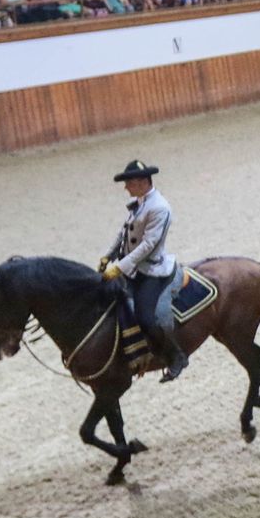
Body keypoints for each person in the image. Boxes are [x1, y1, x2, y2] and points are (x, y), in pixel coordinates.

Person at [100, 159, 190, 381]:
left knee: (147, 318)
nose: (126, 188)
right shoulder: (139, 202)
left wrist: (119, 268)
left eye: (129, 183)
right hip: (132, 267)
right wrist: (109, 254)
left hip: (151, 271)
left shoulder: (159, 207)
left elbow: (148, 245)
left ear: (141, 182)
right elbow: (124, 233)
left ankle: (176, 356)